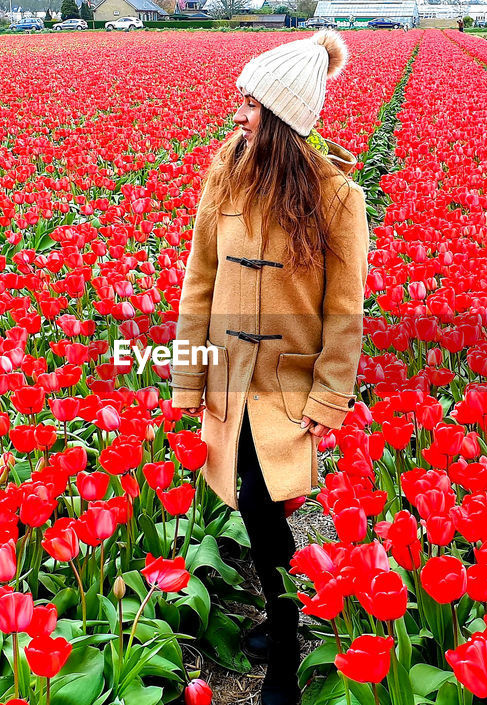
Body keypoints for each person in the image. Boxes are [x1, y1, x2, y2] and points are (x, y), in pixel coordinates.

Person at [169, 30, 370, 705]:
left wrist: (326, 398)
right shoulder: (225, 169)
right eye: (240, 99)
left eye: (251, 102)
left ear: (282, 115)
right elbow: (199, 279)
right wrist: (188, 374)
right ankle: (284, 610)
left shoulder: (337, 198)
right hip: (229, 375)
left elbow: (345, 314)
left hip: (286, 385)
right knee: (251, 504)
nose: (238, 113)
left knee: (259, 501)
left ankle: (284, 645)